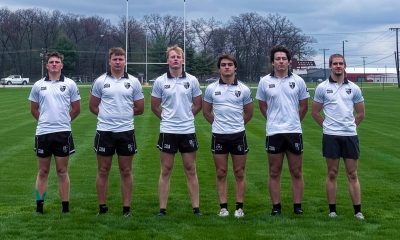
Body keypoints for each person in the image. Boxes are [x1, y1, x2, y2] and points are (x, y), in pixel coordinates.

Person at [89, 47, 144, 217]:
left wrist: (123, 116)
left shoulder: (134, 81)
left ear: (125, 61)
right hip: (105, 132)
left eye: (121, 59)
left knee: (126, 170)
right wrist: (107, 116)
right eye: (115, 59)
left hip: (126, 132)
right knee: (103, 170)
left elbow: (140, 108)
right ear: (110, 61)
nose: (118, 62)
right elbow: (92, 106)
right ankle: (102, 208)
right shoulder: (100, 81)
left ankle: (126, 209)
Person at [255, 45, 309, 216]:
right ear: (272, 62)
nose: (281, 61)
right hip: (274, 132)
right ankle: (276, 207)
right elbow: (262, 106)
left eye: (284, 59)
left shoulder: (299, 81)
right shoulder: (264, 82)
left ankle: (297, 206)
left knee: (296, 171)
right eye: (277, 59)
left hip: (293, 131)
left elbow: (304, 106)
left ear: (289, 62)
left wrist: (292, 121)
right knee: (274, 171)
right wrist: (273, 120)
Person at [311, 53, 365, 220]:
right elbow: (315, 112)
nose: (338, 66)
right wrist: (328, 127)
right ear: (330, 66)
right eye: (335, 63)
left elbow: (361, 113)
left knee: (352, 174)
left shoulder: (354, 88)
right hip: (331, 136)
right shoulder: (322, 87)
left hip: (350, 136)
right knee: (332, 173)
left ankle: (358, 211)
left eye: (341, 63)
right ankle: (332, 210)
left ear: (344, 66)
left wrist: (349, 127)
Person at [151, 45, 202, 216]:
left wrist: (186, 117)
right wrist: (168, 119)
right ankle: (162, 209)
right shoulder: (160, 81)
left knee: (191, 169)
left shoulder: (192, 80)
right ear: (167, 60)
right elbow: (155, 106)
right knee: (165, 170)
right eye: (172, 57)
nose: (175, 59)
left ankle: (196, 208)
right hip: (168, 131)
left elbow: (198, 104)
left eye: (178, 57)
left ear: (183, 60)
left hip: (187, 130)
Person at [28, 51, 81, 214]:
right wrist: (46, 122)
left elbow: (77, 108)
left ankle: (65, 207)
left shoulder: (70, 84)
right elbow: (34, 109)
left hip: (63, 133)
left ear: (61, 65)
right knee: (43, 171)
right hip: (43, 133)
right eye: (51, 62)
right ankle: (39, 207)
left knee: (62, 171)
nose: (54, 64)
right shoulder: (38, 85)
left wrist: (63, 122)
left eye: (57, 62)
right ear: (46, 65)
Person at [203, 54, 253, 218]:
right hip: (219, 136)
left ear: (235, 67)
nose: (226, 67)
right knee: (221, 172)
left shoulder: (244, 89)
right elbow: (206, 111)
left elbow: (249, 113)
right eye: (223, 65)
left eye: (230, 64)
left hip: (238, 135)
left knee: (239, 171)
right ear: (219, 69)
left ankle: (239, 207)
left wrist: (236, 125)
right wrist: (219, 125)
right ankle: (223, 207)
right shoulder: (211, 89)